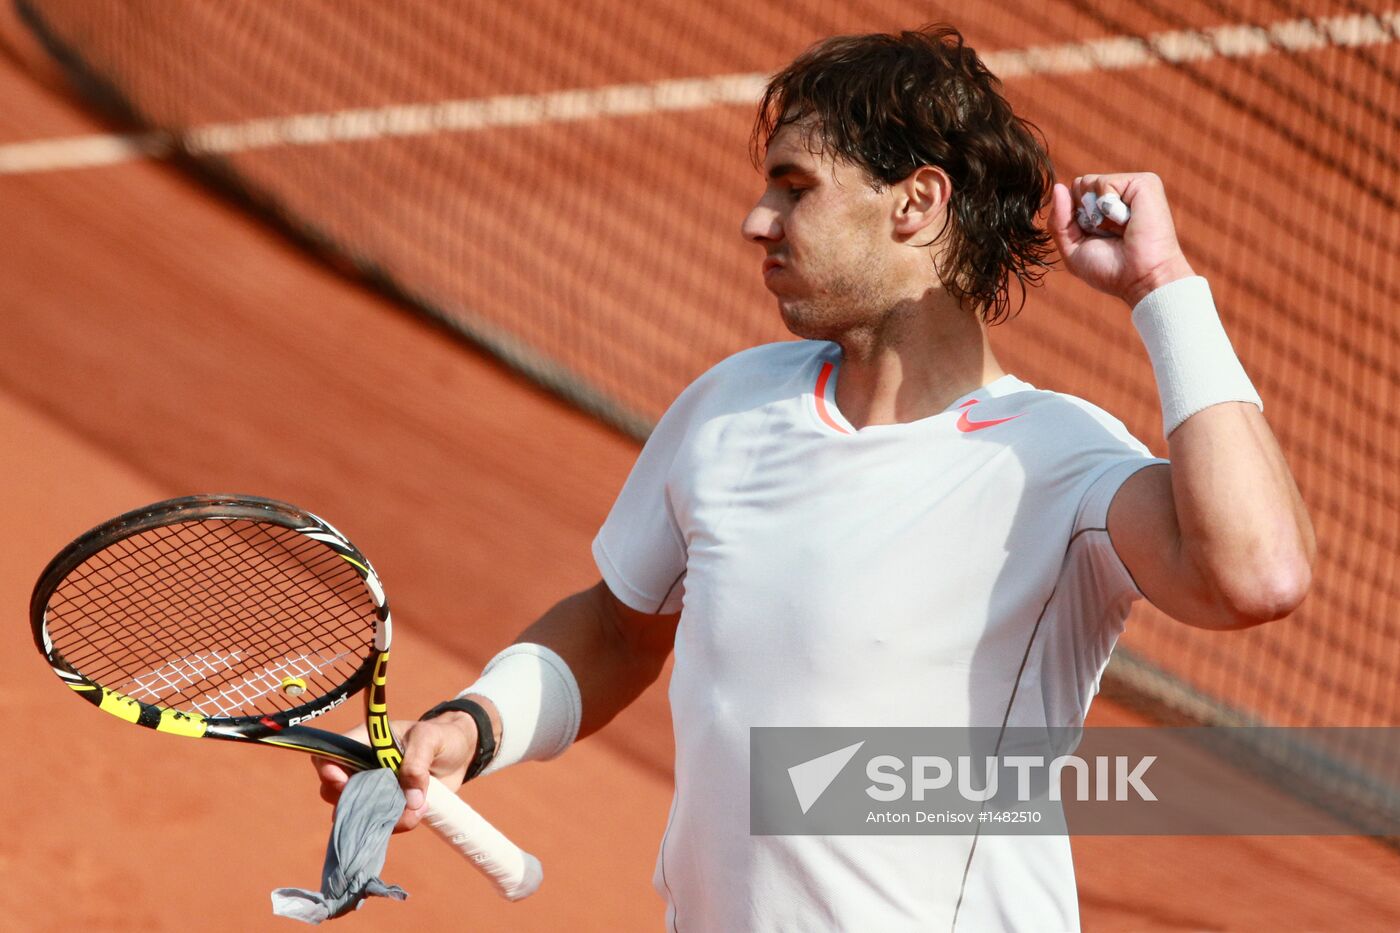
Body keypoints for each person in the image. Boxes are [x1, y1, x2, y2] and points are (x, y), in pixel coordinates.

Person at [315, 24, 1315, 931]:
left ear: (916, 204)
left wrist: (1161, 290)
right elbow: (620, 627)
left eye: (794, 189)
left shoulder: (1054, 461)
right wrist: (470, 727)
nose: (757, 220)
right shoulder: (730, 408)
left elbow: (1257, 575)